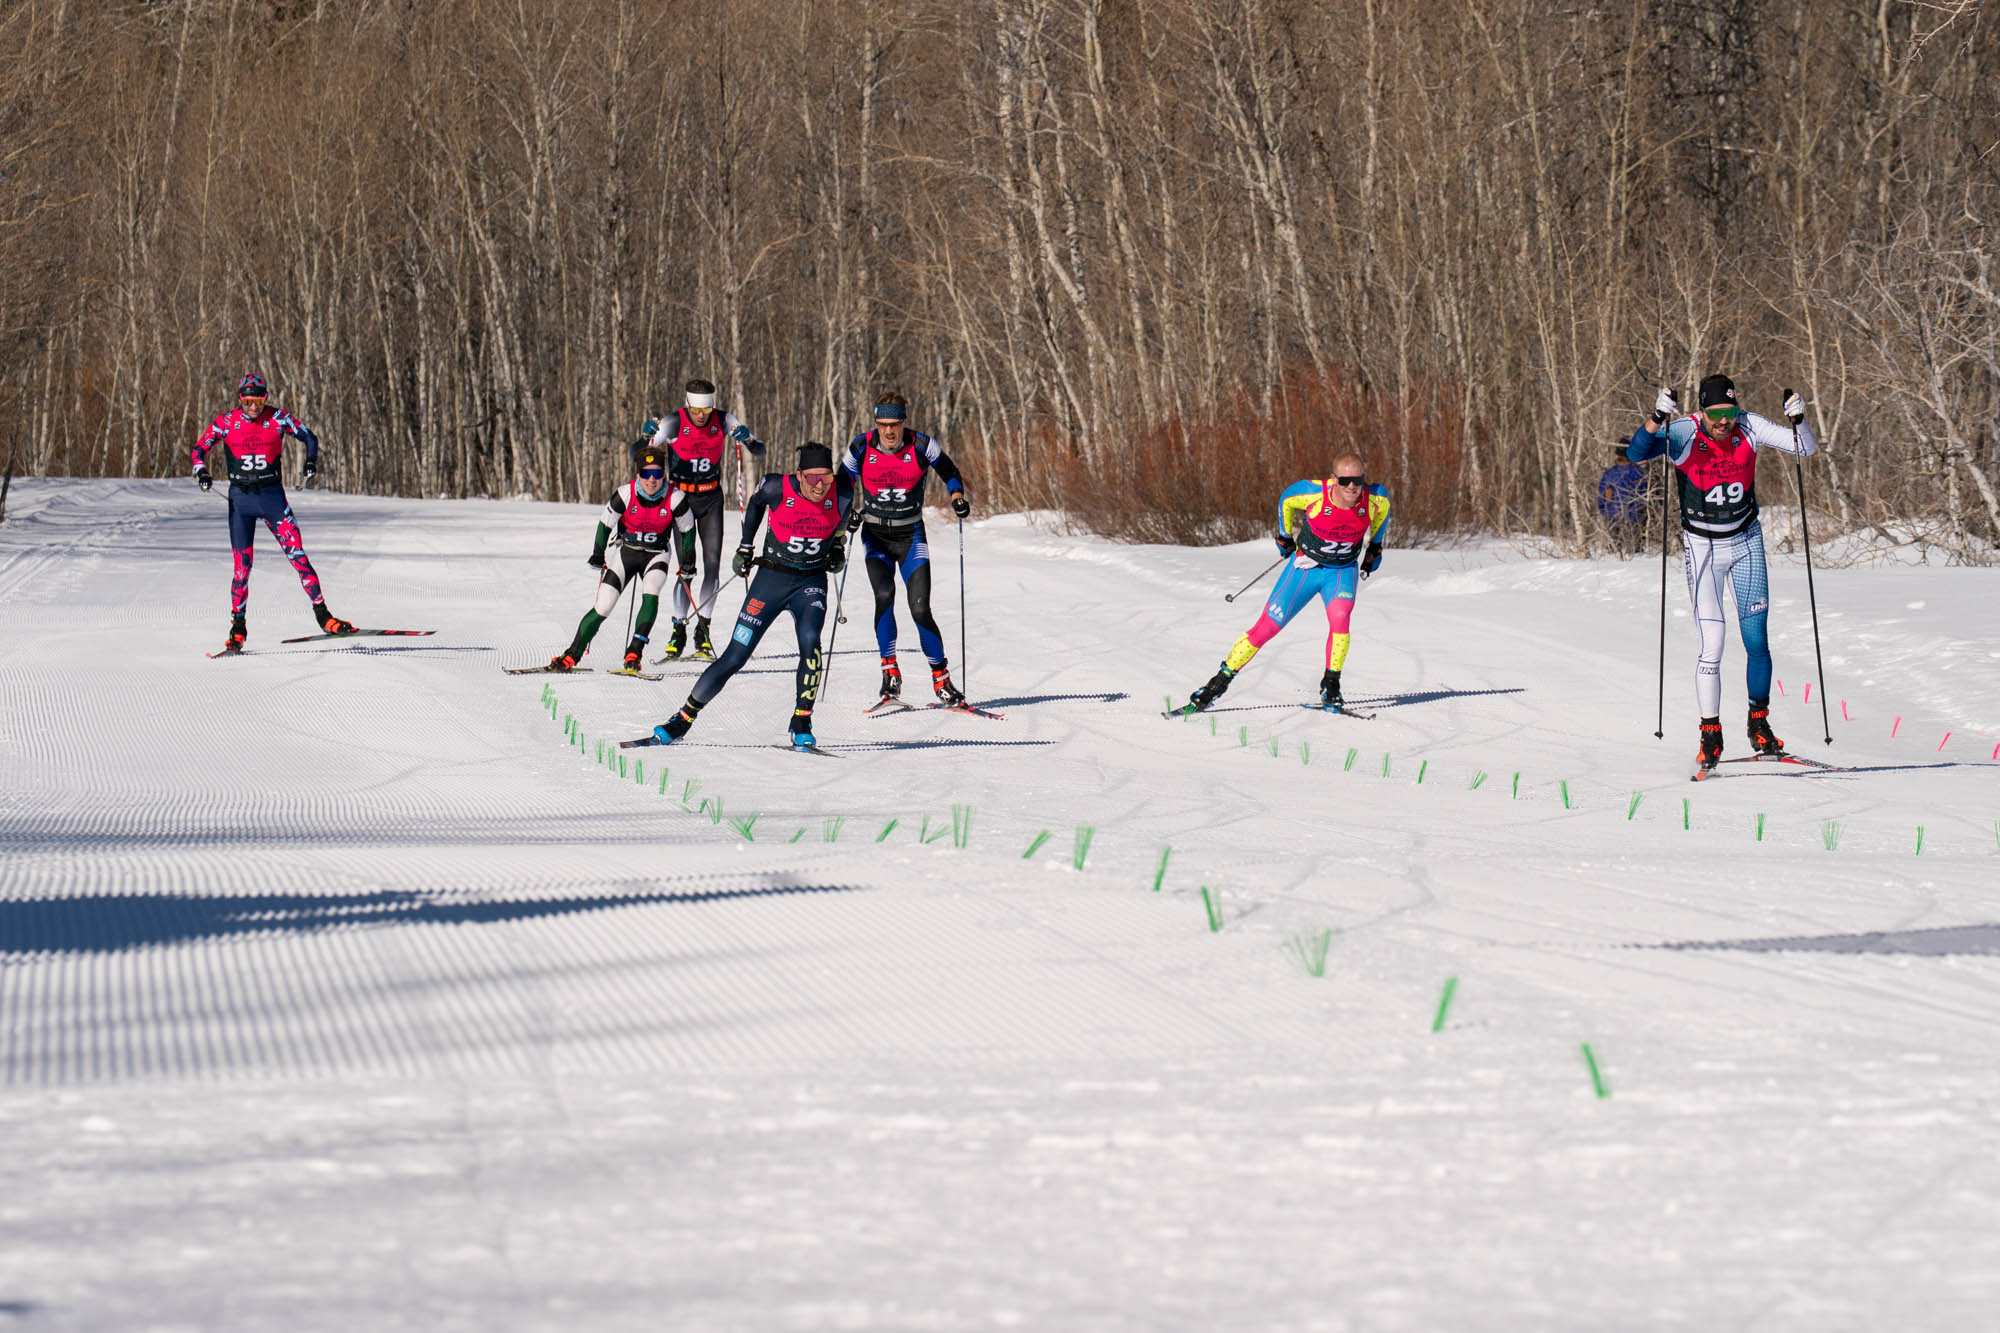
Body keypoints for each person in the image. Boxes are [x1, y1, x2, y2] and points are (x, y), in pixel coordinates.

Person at [1628, 374, 1816, 770]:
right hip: (1704, 549)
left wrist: (1800, 420)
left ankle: (1759, 723)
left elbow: (1804, 448)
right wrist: (1657, 417)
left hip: (1745, 541)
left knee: (1757, 640)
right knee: (1712, 644)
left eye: (1730, 412)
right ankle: (1710, 733)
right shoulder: (1684, 431)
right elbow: (1636, 452)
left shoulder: (1749, 425)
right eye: (1716, 414)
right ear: (1703, 411)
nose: (1724, 421)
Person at [649, 443, 856, 750]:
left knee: (811, 643)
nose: (820, 486)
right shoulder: (776, 487)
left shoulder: (842, 492)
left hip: (810, 583)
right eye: (813, 478)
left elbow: (841, 519)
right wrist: (746, 546)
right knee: (735, 655)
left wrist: (837, 546)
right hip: (771, 580)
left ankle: (802, 721)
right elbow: (757, 504)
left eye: (826, 478)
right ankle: (682, 718)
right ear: (799, 475)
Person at [1180, 455, 1392, 713]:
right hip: (1305, 569)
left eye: (1357, 480)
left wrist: (1375, 546)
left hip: (1341, 572)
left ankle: (1331, 686)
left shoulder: (1376, 497)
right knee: (1267, 627)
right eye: (1345, 480)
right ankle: (1217, 685)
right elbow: (1286, 500)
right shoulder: (1313, 493)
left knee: (1340, 620)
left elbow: (1383, 514)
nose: (1352, 487)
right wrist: (1284, 535)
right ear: (1334, 479)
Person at [190, 371, 354, 653]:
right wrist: (201, 472)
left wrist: (311, 461)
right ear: (240, 399)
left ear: (266, 398)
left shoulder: (278, 418)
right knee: (242, 568)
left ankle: (324, 616)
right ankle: (237, 628)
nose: (254, 407)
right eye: (248, 401)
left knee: (298, 556)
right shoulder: (227, 422)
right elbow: (198, 450)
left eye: (259, 400)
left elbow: (309, 437)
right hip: (241, 502)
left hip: (272, 499)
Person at [839, 391, 973, 706]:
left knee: (920, 608)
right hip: (875, 536)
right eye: (883, 425)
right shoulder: (860, 446)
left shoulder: (922, 445)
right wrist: (847, 514)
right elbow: (841, 485)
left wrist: (956, 497)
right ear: (876, 423)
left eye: (895, 424)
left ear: (903, 422)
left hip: (911, 534)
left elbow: (950, 471)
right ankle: (890, 674)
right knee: (884, 597)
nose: (889, 431)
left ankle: (942, 680)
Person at [647, 379, 767, 660]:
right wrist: (645, 436)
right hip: (682, 502)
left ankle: (703, 631)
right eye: (696, 410)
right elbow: (640, 453)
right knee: (687, 568)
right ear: (687, 404)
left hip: (711, 499)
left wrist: (749, 440)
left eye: (706, 410)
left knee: (712, 565)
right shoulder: (673, 422)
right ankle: (678, 630)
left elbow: (759, 450)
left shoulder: (723, 420)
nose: (701, 416)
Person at [545, 447, 684, 672]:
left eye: (657, 474)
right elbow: (605, 524)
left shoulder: (675, 497)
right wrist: (598, 554)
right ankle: (571, 655)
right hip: (626, 553)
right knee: (603, 606)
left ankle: (634, 653)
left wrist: (689, 561)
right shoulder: (625, 494)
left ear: (663, 475)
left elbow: (688, 531)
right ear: (638, 474)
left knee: (651, 592)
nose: (652, 480)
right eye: (646, 474)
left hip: (657, 554)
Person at [1597, 446, 1649, 553]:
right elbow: (1645, 494)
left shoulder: (1609, 474)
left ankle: (1616, 556)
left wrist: (1603, 510)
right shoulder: (1639, 473)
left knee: (1615, 549)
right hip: (1635, 515)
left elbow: (1602, 495)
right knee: (1636, 550)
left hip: (1613, 515)